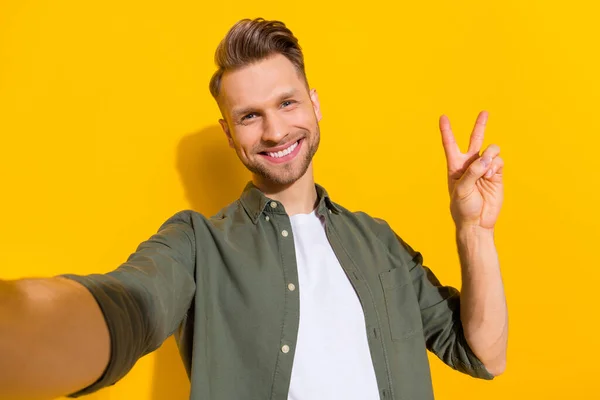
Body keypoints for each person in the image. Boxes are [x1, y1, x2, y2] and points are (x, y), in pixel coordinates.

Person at [0, 18, 508, 400]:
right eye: (249, 116)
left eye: (287, 104)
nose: (274, 131)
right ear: (228, 132)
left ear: (315, 104)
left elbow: (485, 354)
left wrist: (474, 231)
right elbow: (127, 306)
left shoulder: (379, 242)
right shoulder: (197, 244)